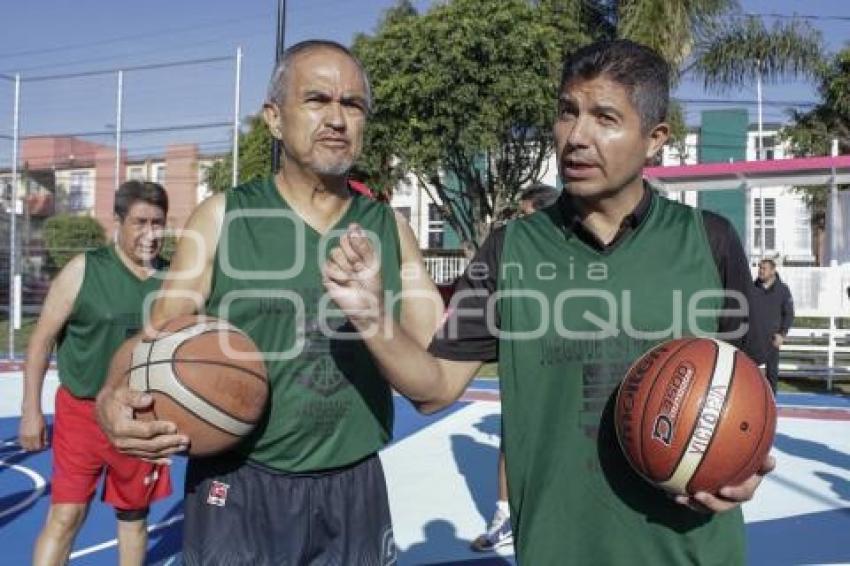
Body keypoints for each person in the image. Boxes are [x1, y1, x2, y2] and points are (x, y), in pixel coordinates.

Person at [323, 40, 774, 564]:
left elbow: (748, 396)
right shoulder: (509, 249)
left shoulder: (708, 239)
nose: (577, 136)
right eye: (567, 112)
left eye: (605, 117)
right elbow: (435, 389)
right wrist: (371, 315)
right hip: (557, 550)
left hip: (693, 552)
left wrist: (745, 469)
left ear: (655, 140)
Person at [94, 40, 442, 565]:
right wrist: (110, 397)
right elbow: (155, 337)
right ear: (275, 119)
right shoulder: (221, 217)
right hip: (240, 483)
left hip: (354, 486)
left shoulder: (389, 229)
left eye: (352, 105)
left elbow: (439, 367)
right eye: (317, 100)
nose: (337, 118)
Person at [19, 180, 172, 566]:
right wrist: (31, 410)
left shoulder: (175, 280)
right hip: (81, 413)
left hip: (140, 415)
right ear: (118, 222)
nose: (150, 234)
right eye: (140, 222)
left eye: (158, 223)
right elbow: (40, 341)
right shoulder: (84, 269)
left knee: (134, 519)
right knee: (66, 515)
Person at [471, 182, 560, 553]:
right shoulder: (511, 255)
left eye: (524, 216)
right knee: (513, 436)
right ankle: (506, 515)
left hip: (560, 368)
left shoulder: (569, 260)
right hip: (522, 366)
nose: (517, 224)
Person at [750, 258, 794, 391]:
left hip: (772, 340)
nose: (760, 271)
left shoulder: (783, 290)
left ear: (773, 271)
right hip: (753, 339)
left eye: (764, 268)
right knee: (750, 373)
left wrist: (782, 334)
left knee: (772, 375)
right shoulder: (752, 288)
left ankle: (771, 405)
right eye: (759, 268)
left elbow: (789, 314)